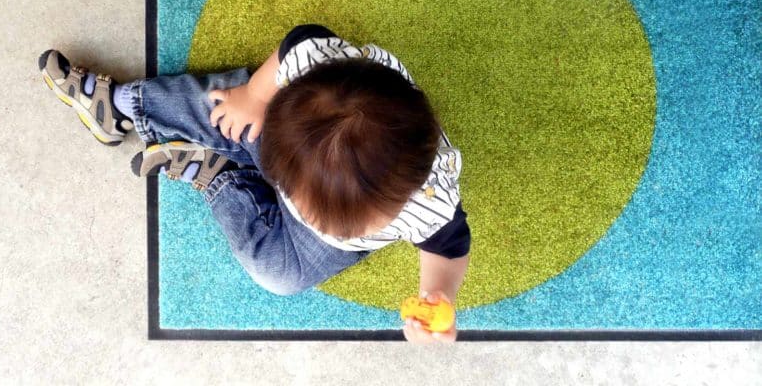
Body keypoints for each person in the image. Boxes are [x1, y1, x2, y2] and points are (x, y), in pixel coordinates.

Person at [38, 24, 471, 344]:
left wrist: (437, 294)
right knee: (221, 103)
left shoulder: (431, 201)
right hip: (282, 135)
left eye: (342, 223)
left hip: (312, 235)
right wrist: (257, 96)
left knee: (279, 275)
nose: (294, 204)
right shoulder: (322, 71)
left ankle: (219, 176)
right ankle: (118, 106)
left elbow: (448, 248)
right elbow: (300, 41)